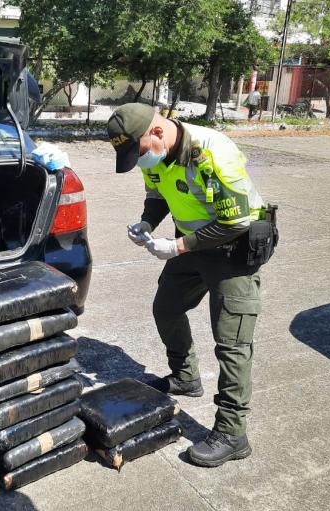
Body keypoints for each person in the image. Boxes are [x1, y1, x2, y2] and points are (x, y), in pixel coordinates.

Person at [107, 103, 268, 467]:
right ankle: (184, 376)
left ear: (158, 133)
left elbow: (235, 221)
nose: (140, 161)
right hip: (193, 242)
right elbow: (157, 195)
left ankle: (232, 433)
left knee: (232, 344)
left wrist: (176, 246)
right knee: (166, 308)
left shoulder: (213, 150)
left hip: (234, 250)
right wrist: (147, 224)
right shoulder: (155, 154)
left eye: (140, 152)